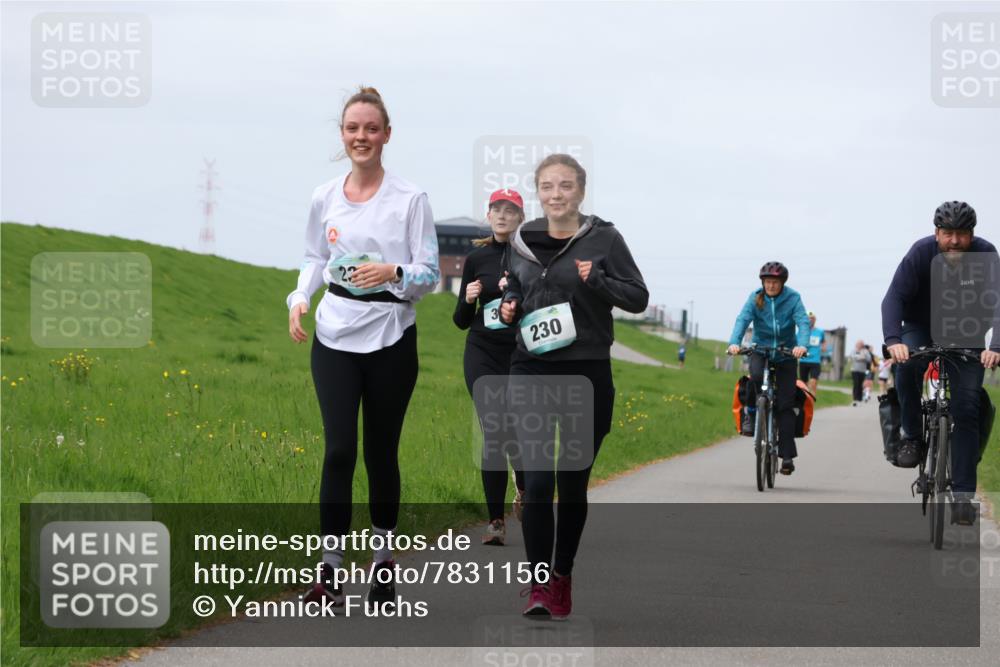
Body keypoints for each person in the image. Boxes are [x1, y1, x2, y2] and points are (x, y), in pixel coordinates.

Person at [288, 87, 441, 608]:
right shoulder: (323, 196)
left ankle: (381, 563)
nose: (361, 137)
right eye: (353, 128)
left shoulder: (410, 200)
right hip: (334, 331)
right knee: (338, 451)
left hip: (391, 334)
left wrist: (393, 271)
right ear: (342, 135)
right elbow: (314, 255)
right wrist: (299, 298)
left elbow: (430, 274)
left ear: (387, 135)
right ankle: (329, 572)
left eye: (371, 129)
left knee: (379, 452)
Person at [499, 154, 648, 620]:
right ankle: (541, 584)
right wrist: (508, 304)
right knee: (539, 483)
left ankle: (563, 574)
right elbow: (514, 289)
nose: (556, 194)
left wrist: (598, 279)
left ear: (581, 192)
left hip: (586, 371)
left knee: (572, 482)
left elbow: (638, 297)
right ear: (538, 193)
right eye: (547, 187)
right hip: (530, 368)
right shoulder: (521, 240)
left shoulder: (605, 238)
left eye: (565, 186)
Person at [881, 200, 1000, 525]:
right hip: (920, 326)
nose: (954, 241)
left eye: (961, 234)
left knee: (966, 407)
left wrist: (996, 346)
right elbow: (894, 298)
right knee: (905, 367)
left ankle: (963, 496)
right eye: (948, 233)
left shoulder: (986, 255)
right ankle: (912, 437)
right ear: (937, 233)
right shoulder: (920, 253)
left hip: (968, 331)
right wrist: (894, 341)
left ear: (971, 235)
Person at [453, 188, 527, 546]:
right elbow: (460, 321)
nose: (502, 216)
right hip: (481, 352)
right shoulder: (475, 258)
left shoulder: (529, 259)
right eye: (496, 210)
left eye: (510, 211)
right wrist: (469, 299)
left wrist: (516, 294)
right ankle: (495, 520)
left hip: (519, 354)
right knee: (494, 429)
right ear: (489, 215)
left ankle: (525, 485)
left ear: (520, 219)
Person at [726, 262, 809, 474]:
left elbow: (803, 322)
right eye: (767, 282)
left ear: (782, 283)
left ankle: (787, 456)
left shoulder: (793, 298)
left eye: (775, 282)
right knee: (754, 378)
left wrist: (801, 346)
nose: (771, 286)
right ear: (762, 282)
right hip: (761, 349)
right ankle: (751, 414)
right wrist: (734, 342)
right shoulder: (755, 297)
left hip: (786, 354)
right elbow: (742, 319)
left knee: (785, 404)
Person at [798, 311, 825, 394]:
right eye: (808, 319)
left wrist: (824, 347)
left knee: (813, 382)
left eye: (812, 318)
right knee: (804, 384)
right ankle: (805, 402)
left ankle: (812, 400)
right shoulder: (801, 331)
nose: (810, 320)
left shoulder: (820, 332)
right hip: (804, 360)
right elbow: (795, 342)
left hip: (815, 361)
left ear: (815, 320)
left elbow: (823, 341)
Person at [848, 340, 872, 406]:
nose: (859, 345)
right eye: (858, 344)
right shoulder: (853, 350)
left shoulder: (865, 351)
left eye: (860, 344)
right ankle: (855, 398)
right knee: (856, 383)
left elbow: (869, 359)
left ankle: (859, 398)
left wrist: (863, 358)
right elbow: (852, 357)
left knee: (860, 384)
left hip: (862, 370)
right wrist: (860, 357)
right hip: (854, 370)